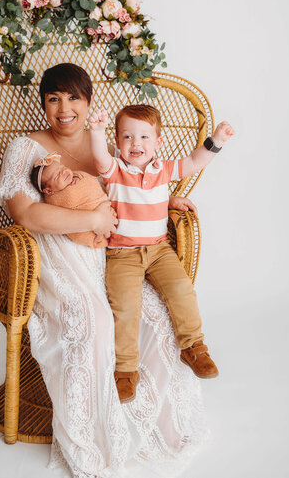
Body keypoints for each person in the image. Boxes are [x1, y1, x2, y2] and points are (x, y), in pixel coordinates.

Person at [0, 63, 209, 478]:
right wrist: (91, 222)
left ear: (89, 101)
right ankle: (92, 438)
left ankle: (142, 417)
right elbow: (26, 214)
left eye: (73, 97)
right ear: (43, 104)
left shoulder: (106, 151)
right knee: (92, 319)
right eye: (54, 98)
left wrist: (165, 203)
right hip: (54, 257)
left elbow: (122, 191)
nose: (64, 108)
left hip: (110, 257)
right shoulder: (26, 147)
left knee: (158, 314)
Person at [88, 104, 235, 403]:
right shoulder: (115, 170)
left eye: (144, 137)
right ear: (117, 142)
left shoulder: (163, 169)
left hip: (158, 248)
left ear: (158, 142)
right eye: (127, 137)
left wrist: (216, 141)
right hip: (122, 253)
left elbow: (195, 161)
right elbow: (99, 157)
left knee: (182, 290)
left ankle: (193, 346)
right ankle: (126, 369)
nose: (136, 144)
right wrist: (96, 131)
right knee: (126, 307)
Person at [30, 152, 110, 247]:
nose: (64, 172)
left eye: (62, 167)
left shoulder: (73, 177)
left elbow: (88, 179)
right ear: (49, 191)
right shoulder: (55, 200)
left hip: (106, 208)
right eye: (56, 176)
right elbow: (66, 214)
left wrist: (77, 177)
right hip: (90, 227)